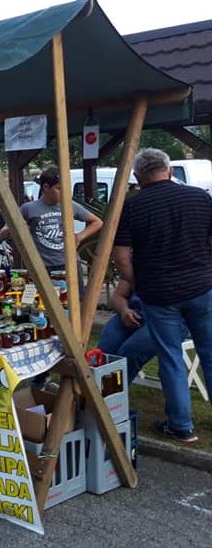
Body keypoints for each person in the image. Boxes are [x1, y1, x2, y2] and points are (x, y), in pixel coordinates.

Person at [113, 148, 212, 444]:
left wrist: (139, 281)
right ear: (168, 170)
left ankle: (181, 426)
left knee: (170, 358)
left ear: (137, 176)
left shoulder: (133, 206)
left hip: (160, 295)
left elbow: (121, 257)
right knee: (210, 353)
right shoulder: (200, 197)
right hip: (202, 288)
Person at [0, 165, 102, 276]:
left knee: (76, 288)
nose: (64, 192)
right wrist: (15, 226)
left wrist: (80, 236)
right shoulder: (28, 208)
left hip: (70, 263)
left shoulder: (70, 206)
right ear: (46, 187)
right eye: (59, 188)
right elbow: (1, 235)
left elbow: (97, 222)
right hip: (42, 266)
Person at [96, 278, 187, 382]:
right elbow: (119, 295)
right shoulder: (135, 267)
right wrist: (124, 311)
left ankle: (108, 389)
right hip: (133, 312)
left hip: (166, 320)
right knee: (105, 349)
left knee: (130, 351)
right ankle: (97, 387)